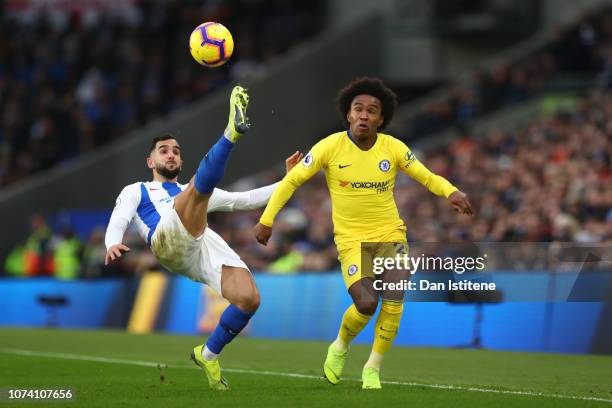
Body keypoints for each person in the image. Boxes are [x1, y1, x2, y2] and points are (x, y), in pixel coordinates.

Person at [254, 77, 473, 389]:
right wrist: (267, 219)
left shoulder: (393, 148)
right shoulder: (329, 147)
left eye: (372, 110)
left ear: (381, 119)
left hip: (391, 235)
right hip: (352, 240)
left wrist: (450, 191)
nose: (364, 115)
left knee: (394, 300)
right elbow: (291, 181)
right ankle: (340, 345)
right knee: (367, 304)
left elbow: (426, 176)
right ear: (349, 115)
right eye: (358, 109)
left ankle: (373, 367)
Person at [105, 86, 302, 391]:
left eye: (176, 152)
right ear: (150, 161)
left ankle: (208, 354)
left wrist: (291, 180)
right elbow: (119, 217)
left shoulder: (196, 193)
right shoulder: (138, 190)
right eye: (164, 150)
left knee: (249, 299)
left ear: (181, 163)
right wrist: (111, 242)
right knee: (197, 191)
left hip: (200, 245)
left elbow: (247, 199)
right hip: (165, 240)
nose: (171, 154)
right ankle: (231, 133)